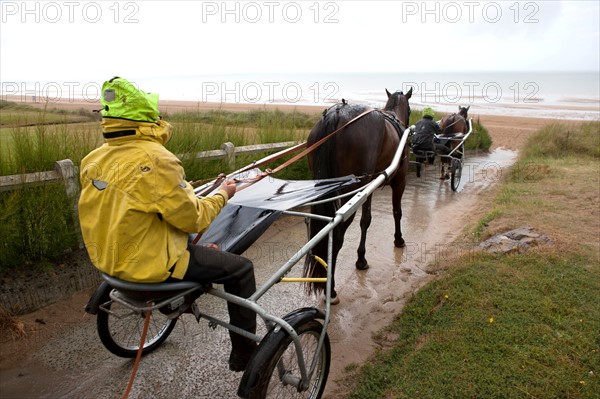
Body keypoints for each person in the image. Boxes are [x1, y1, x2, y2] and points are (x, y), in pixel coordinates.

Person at [78, 77, 257, 372]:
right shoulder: (159, 160)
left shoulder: (92, 159)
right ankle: (244, 353)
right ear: (149, 119)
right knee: (241, 268)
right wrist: (224, 193)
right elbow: (195, 218)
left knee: (199, 247)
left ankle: (188, 294)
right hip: (150, 268)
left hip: (109, 261)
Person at [411, 107, 451, 178]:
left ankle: (418, 173)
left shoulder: (418, 122)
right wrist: (442, 128)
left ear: (423, 114)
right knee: (443, 147)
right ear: (432, 115)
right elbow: (439, 132)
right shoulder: (433, 123)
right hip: (428, 147)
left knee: (420, 149)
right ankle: (455, 155)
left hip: (415, 146)